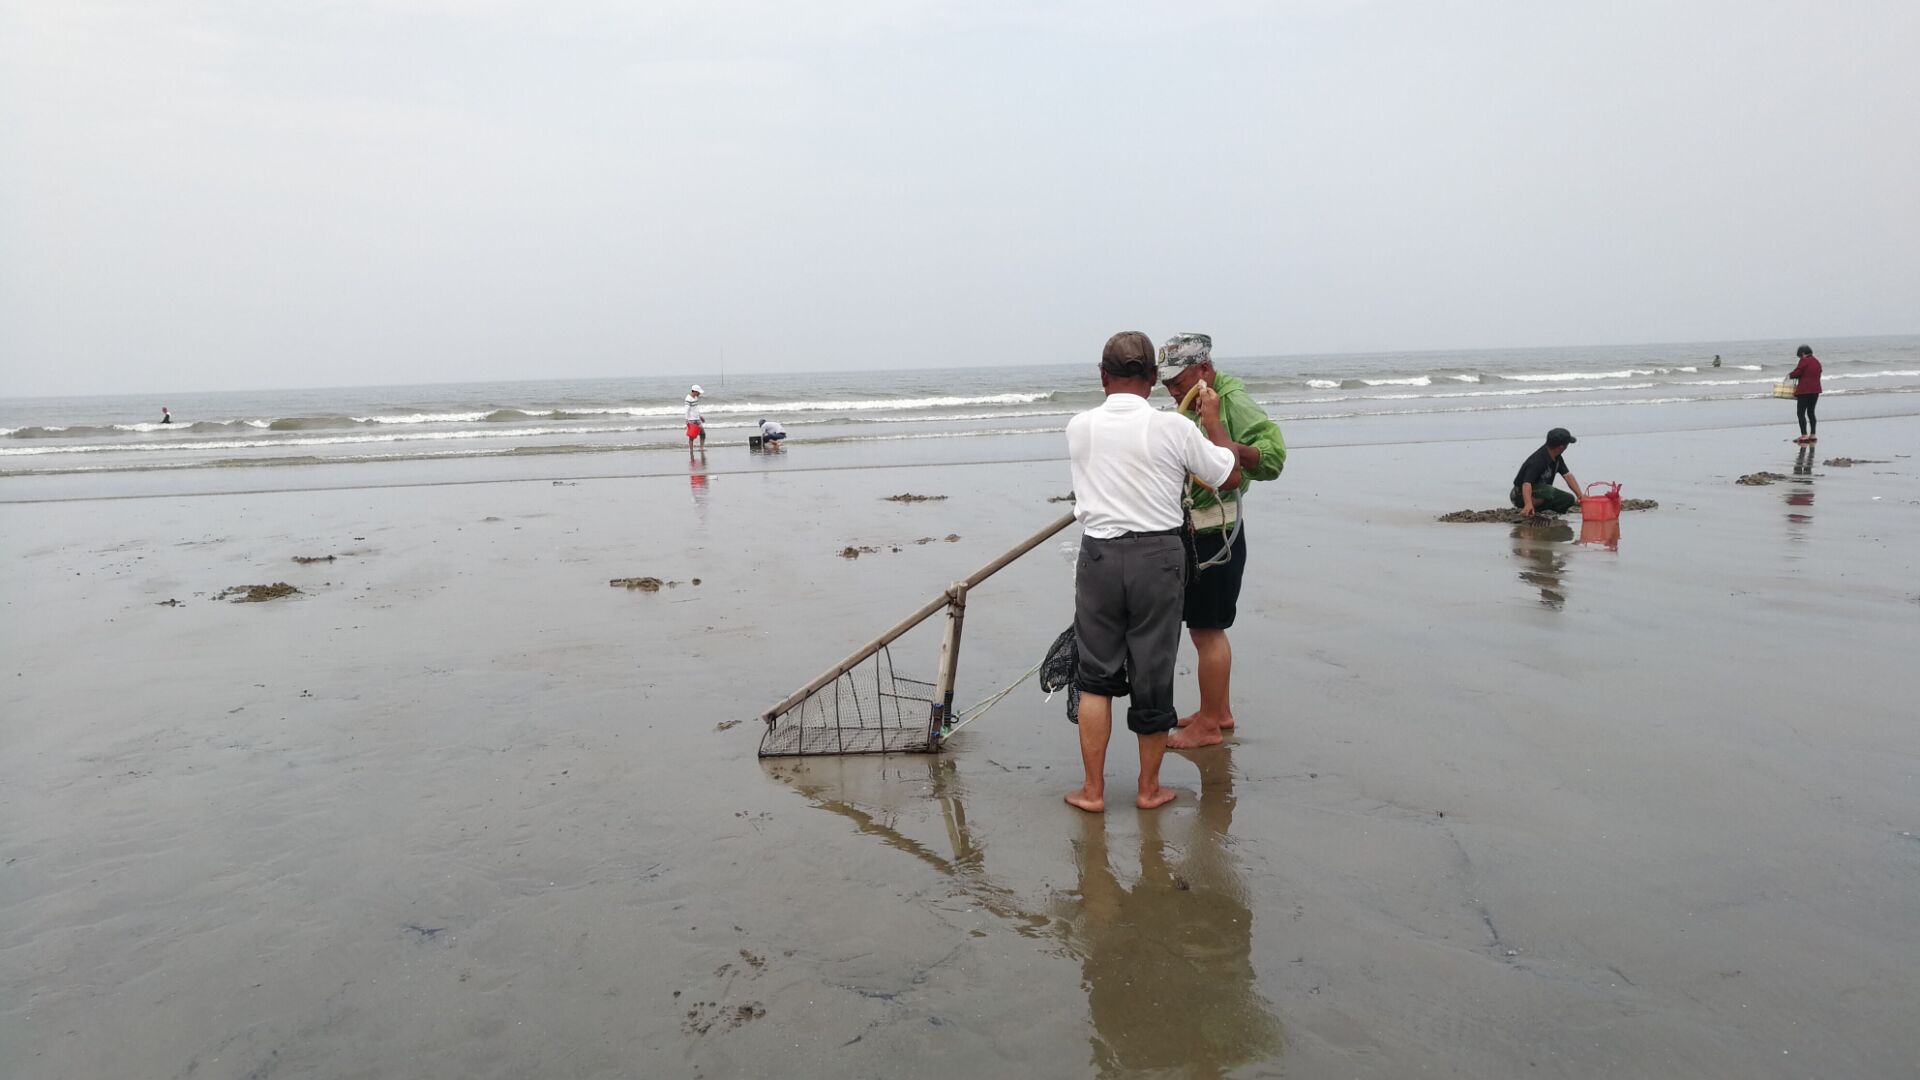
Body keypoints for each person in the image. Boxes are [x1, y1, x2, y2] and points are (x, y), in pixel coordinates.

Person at [1064, 331, 1241, 813]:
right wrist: (1212, 420)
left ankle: (1093, 791)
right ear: (1151, 378)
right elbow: (1226, 473)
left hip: (1099, 556)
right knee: (1153, 671)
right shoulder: (1174, 428)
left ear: (1103, 377)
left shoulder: (1079, 427)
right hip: (1158, 557)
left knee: (1096, 677)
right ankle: (1148, 789)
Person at [1154, 333, 1287, 751]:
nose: (1172, 390)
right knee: (1202, 629)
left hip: (1219, 534)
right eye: (1166, 383)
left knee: (1208, 631)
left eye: (1178, 381)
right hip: (1197, 532)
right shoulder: (1191, 402)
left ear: (1204, 371)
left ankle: (1209, 725)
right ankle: (1218, 711)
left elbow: (1274, 457)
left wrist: (1216, 427)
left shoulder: (1231, 400)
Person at [1511, 427, 1583, 516]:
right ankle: (1530, 507)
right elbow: (1526, 484)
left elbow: (1567, 475)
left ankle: (1542, 509)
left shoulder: (1557, 457)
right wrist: (1528, 504)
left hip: (1540, 492)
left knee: (1569, 499)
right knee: (1548, 491)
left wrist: (1580, 496)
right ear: (1562, 447)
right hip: (1520, 495)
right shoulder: (1538, 460)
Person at [1787, 345, 1822, 444]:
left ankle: (1804, 435)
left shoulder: (1804, 361)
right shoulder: (1816, 361)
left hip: (1804, 391)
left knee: (1800, 413)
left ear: (1802, 353)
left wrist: (1790, 375)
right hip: (1815, 390)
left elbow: (1797, 372)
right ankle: (1813, 435)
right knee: (1811, 412)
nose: (1800, 357)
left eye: (1799, 355)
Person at [684, 385, 706, 449]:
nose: (699, 394)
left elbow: (696, 408)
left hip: (697, 419)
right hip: (691, 420)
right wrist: (686, 420)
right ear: (695, 391)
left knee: (703, 434)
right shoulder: (688, 399)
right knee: (692, 436)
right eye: (699, 392)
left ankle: (701, 448)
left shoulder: (696, 397)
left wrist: (700, 416)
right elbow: (686, 410)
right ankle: (691, 450)